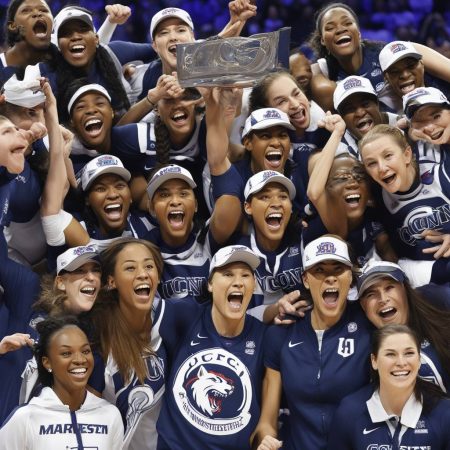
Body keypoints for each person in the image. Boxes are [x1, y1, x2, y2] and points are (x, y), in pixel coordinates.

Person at [251, 235, 373, 450]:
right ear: (305, 279)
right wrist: (263, 442)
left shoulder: (368, 323)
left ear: (350, 277)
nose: (330, 278)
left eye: (338, 269)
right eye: (319, 270)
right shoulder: (281, 334)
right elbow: (266, 423)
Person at [155, 245, 267, 449]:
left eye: (245, 275)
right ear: (210, 284)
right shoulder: (185, 315)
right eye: (227, 274)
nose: (238, 282)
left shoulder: (264, 336)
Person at [0, 244, 102, 423]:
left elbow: (89, 411)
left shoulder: (93, 341)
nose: (91, 277)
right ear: (60, 282)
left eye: (96, 270)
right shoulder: (28, 293)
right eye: (80, 271)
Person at [87, 238, 166, 450]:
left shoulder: (174, 317)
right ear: (111, 281)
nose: (142, 273)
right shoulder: (99, 337)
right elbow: (89, 420)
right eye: (130, 268)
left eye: (149, 266)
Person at [0, 316, 124, 449]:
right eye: (66, 353)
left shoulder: (110, 415)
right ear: (47, 362)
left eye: (85, 351)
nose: (80, 359)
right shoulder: (25, 418)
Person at [308, 2, 450, 112]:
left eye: (347, 23)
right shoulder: (322, 69)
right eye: (330, 27)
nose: (340, 29)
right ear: (322, 40)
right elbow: (293, 77)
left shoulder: (393, 52)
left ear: (358, 32)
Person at [327, 324, 450, 449]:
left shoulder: (445, 414)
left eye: (409, 353)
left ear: (418, 360)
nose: (401, 363)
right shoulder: (350, 412)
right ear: (374, 361)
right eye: (390, 354)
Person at [359, 123, 450, 287]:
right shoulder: (376, 199)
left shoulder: (442, 174)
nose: (381, 168)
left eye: (388, 156)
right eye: (371, 163)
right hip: (425, 278)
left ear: (407, 154)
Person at [357, 260, 450, 391]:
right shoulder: (362, 349)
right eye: (371, 294)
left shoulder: (440, 304)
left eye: (389, 287)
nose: (383, 299)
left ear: (405, 290)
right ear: (362, 306)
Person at [332, 75, 399, 158]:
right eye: (350, 109)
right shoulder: (343, 153)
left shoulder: (403, 126)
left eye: (365, 104)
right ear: (342, 118)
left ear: (377, 104)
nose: (360, 113)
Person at [379, 40, 450, 114]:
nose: (405, 75)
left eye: (411, 66)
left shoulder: (445, 87)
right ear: (386, 78)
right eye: (395, 71)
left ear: (422, 65)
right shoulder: (387, 116)